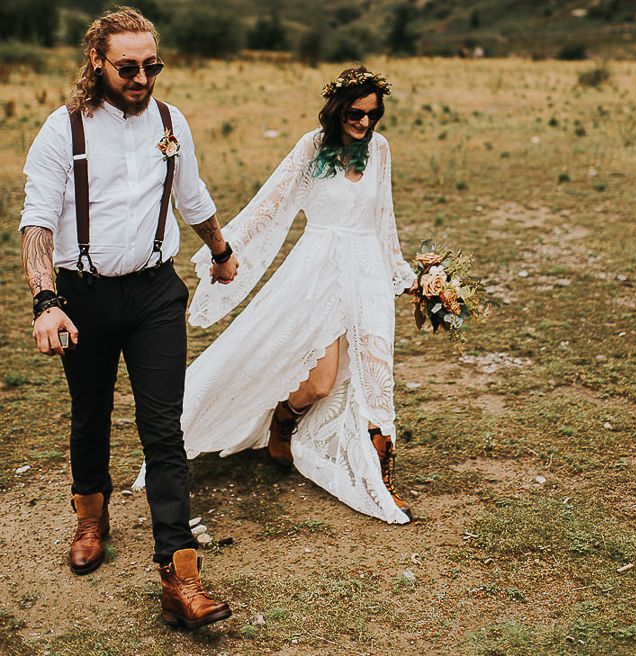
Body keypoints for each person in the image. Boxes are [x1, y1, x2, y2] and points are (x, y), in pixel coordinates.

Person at [19, 7, 235, 630]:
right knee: (89, 410)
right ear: (98, 62)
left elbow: (191, 195)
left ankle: (179, 576)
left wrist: (220, 251)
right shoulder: (63, 130)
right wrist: (45, 299)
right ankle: (91, 515)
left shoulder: (171, 122)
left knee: (163, 428)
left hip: (155, 295)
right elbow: (36, 221)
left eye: (152, 65)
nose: (142, 77)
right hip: (82, 296)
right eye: (129, 67)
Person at [135, 65, 418, 524]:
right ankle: (282, 422)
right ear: (338, 109)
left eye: (373, 115)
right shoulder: (312, 147)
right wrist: (225, 250)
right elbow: (269, 205)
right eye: (356, 113)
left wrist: (406, 277)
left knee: (374, 368)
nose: (364, 123)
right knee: (322, 381)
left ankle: (379, 476)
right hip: (320, 272)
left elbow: (383, 219)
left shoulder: (379, 151)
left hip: (365, 271)